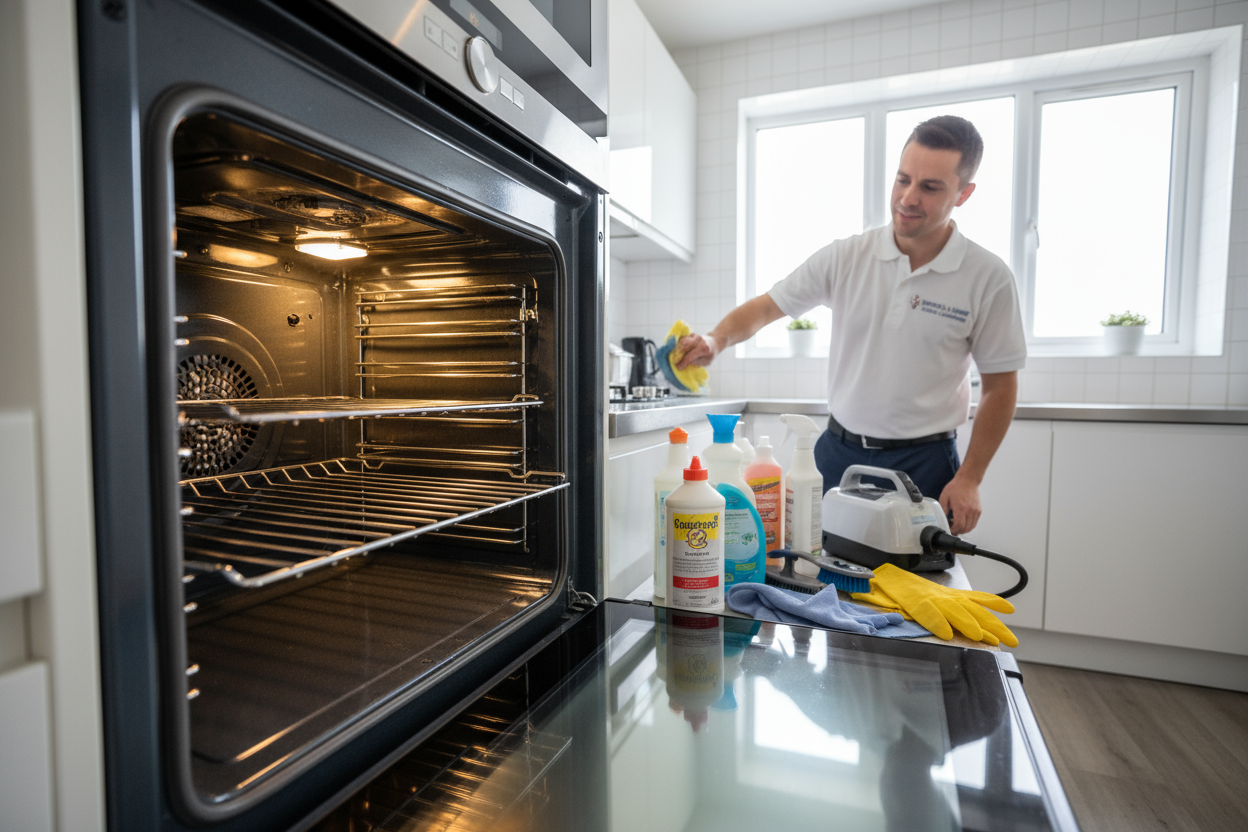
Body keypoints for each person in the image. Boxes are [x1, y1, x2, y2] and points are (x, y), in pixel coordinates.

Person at [676, 115, 1025, 535]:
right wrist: (716, 340)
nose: (908, 198)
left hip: (925, 465)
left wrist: (970, 477)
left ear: (964, 193)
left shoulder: (987, 276)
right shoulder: (847, 257)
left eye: (930, 187)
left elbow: (1000, 386)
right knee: (820, 574)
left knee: (911, 589)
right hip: (838, 455)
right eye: (902, 179)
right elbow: (767, 307)